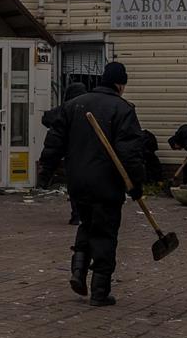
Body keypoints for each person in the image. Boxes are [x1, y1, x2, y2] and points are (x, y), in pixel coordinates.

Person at [59, 62, 146, 306]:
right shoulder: (123, 109)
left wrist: (46, 168)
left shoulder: (76, 104)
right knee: (105, 233)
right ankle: (99, 290)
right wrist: (136, 183)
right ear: (120, 84)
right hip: (106, 184)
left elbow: (56, 137)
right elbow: (130, 152)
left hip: (78, 182)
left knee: (87, 224)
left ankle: (78, 271)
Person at [36, 83, 87, 217]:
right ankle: (83, 213)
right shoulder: (90, 109)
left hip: (71, 155)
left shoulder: (64, 111)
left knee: (74, 183)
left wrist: (45, 174)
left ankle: (77, 213)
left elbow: (53, 145)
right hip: (90, 155)